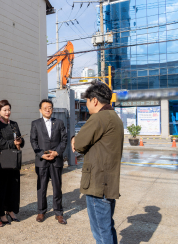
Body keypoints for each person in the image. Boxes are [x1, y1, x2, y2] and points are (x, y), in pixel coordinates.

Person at [71, 81, 124, 244]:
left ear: (94, 100)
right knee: (107, 227)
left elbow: (79, 144)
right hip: (108, 182)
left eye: (87, 101)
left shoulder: (99, 118)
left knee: (101, 232)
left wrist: (74, 139)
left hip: (97, 183)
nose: (86, 106)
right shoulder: (114, 117)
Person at [30, 99, 68, 224]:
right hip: (42, 161)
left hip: (56, 160)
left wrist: (56, 152)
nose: (48, 109)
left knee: (57, 187)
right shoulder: (35, 123)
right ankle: (41, 211)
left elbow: (64, 140)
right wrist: (41, 154)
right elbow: (33, 141)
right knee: (41, 187)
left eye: (50, 107)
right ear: (40, 110)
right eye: (45, 107)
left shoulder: (59, 123)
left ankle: (58, 212)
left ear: (53, 109)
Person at [0, 100, 24, 224]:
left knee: (13, 187)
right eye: (4, 110)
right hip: (1, 162)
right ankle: (1, 212)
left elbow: (20, 139)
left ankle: (10, 210)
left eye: (9, 109)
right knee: (2, 188)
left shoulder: (14, 124)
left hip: (13, 161)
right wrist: (13, 143)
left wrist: (20, 142)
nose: (7, 112)